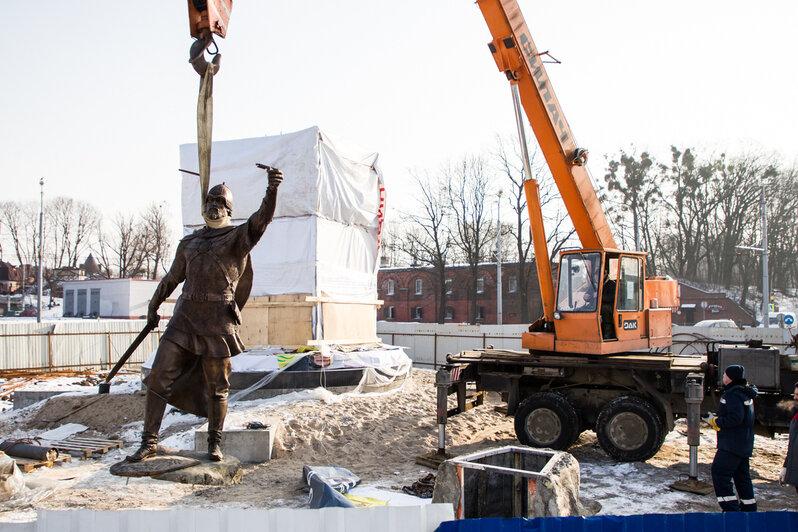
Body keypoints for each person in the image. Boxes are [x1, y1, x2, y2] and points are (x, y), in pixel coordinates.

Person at [126, 166, 283, 463]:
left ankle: (214, 443)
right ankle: (148, 442)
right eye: (211, 201)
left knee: (217, 387)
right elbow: (172, 278)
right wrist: (153, 304)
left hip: (217, 322)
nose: (215, 206)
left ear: (229, 210)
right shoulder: (189, 243)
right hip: (184, 319)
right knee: (158, 376)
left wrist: (272, 189)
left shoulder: (238, 238)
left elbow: (262, 219)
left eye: (221, 203)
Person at [708, 364, 759, 511]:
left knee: (719, 473)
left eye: (724, 374)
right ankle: (749, 510)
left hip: (731, 444)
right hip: (743, 443)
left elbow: (736, 418)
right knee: (742, 477)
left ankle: (731, 510)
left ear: (730, 377)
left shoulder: (732, 394)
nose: (723, 377)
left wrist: (716, 421)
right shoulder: (745, 392)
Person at [779, 381, 798, 493]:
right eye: (795, 394)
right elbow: (792, 447)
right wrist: (786, 467)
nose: (795, 398)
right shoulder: (796, 418)